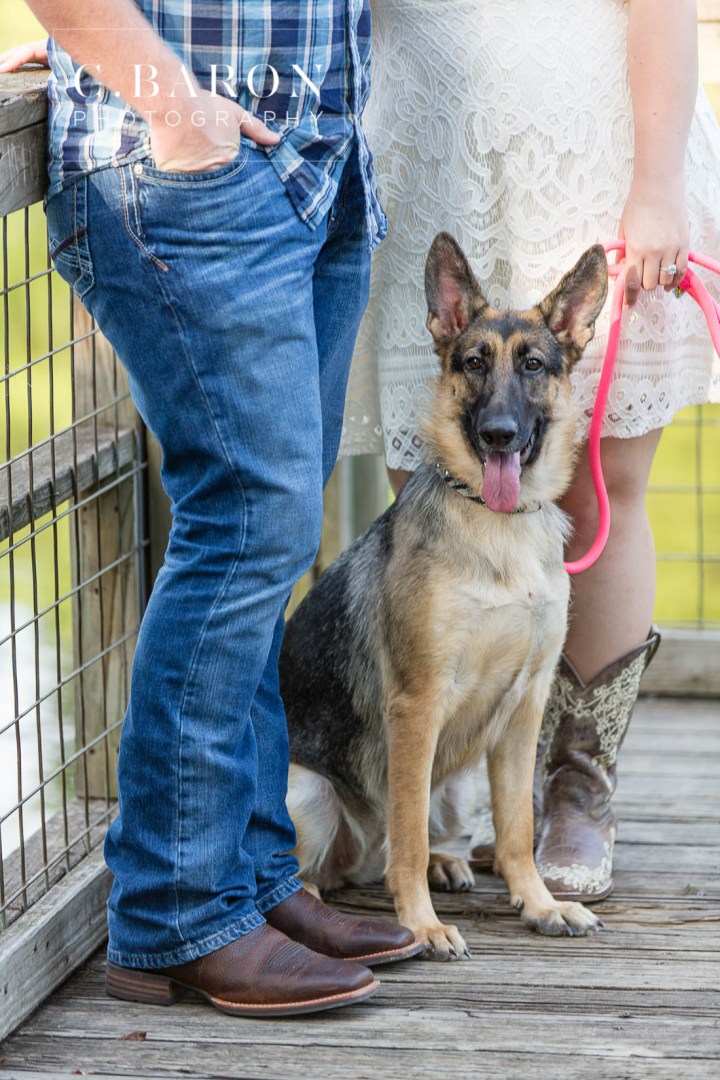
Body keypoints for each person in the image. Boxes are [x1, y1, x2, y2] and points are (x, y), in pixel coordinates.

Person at [3, 0, 420, 1017]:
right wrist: (160, 89)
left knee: (268, 537)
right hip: (192, 171)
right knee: (247, 526)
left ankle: (252, 879)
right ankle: (175, 907)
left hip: (315, 167)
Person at [340, 0, 720, 901]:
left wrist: (657, 186)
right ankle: (441, 803)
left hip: (591, 146)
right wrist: (132, 40)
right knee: (437, 503)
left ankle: (576, 786)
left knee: (600, 490)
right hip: (428, 153)